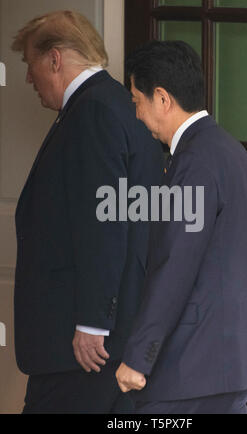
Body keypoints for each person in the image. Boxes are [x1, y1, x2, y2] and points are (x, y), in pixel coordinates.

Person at [12, 11, 164, 414]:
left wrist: (92, 323)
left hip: (83, 348)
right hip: (107, 338)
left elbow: (104, 224)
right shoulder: (114, 103)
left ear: (55, 59)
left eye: (30, 64)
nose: (29, 78)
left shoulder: (93, 111)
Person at [116, 40, 247, 414]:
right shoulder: (228, 149)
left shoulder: (195, 161)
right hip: (227, 364)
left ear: (162, 99)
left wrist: (139, 356)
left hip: (192, 368)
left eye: (137, 101)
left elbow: (175, 266)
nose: (136, 115)